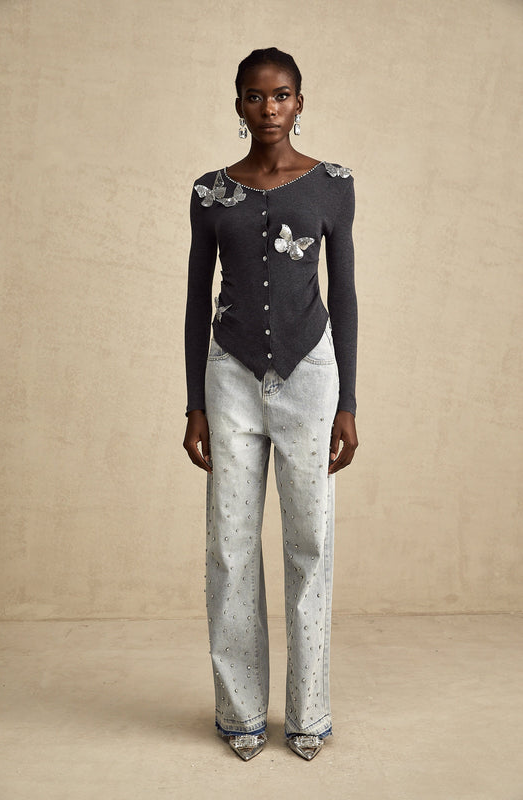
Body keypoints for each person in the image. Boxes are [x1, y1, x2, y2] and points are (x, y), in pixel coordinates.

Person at [183, 47, 358, 762]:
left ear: (299, 102)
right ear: (238, 105)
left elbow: (344, 294)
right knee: (229, 547)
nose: (269, 109)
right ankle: (241, 713)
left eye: (281, 95)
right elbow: (196, 299)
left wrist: (349, 402)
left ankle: (309, 713)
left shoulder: (332, 186)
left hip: (311, 372)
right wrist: (193, 403)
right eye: (255, 97)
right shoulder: (209, 192)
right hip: (229, 375)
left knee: (309, 542)